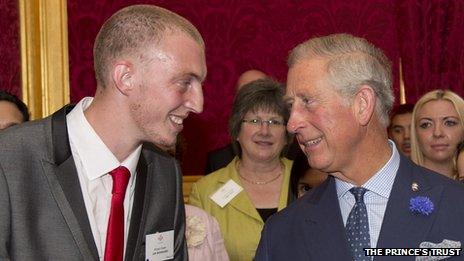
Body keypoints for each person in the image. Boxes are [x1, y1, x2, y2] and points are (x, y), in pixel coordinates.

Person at [0, 4, 207, 260]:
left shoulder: (165, 174)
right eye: (184, 82)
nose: (198, 104)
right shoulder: (9, 160)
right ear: (125, 77)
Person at [255, 33, 464, 261]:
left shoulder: (456, 205)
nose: (292, 124)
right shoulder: (281, 233)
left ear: (362, 104)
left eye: (307, 101)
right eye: (291, 106)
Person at [190, 79, 293, 261]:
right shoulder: (206, 191)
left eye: (274, 121)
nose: (264, 131)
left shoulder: (308, 180)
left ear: (287, 135)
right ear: (237, 130)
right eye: (254, 120)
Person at [205, 69, 268, 174]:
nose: (254, 100)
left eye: (261, 93)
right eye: (246, 94)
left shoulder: (297, 158)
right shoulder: (218, 162)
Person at [410, 89, 464, 179]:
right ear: (415, 133)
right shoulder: (401, 184)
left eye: (449, 123)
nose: (437, 133)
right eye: (426, 124)